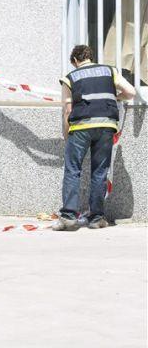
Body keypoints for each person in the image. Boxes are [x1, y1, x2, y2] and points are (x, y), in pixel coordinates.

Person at [54, 45, 135, 231]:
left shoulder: (70, 78)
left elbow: (68, 110)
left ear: (75, 61)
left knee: (73, 170)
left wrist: (66, 133)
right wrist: (116, 98)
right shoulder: (109, 71)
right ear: (91, 57)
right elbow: (130, 93)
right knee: (99, 171)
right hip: (107, 126)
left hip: (81, 127)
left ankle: (68, 217)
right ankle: (96, 218)